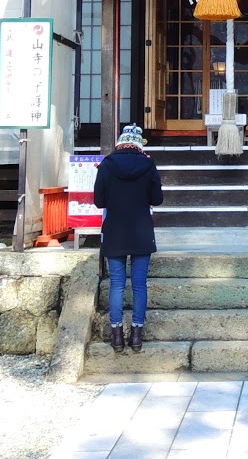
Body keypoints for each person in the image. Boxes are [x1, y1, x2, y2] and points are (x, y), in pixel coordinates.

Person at [92, 123, 163, 352]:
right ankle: (136, 336)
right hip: (141, 231)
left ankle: (116, 338)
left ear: (120, 143)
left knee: (117, 285)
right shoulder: (148, 164)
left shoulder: (106, 165)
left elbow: (99, 202)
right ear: (139, 144)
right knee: (139, 285)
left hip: (115, 231)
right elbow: (157, 199)